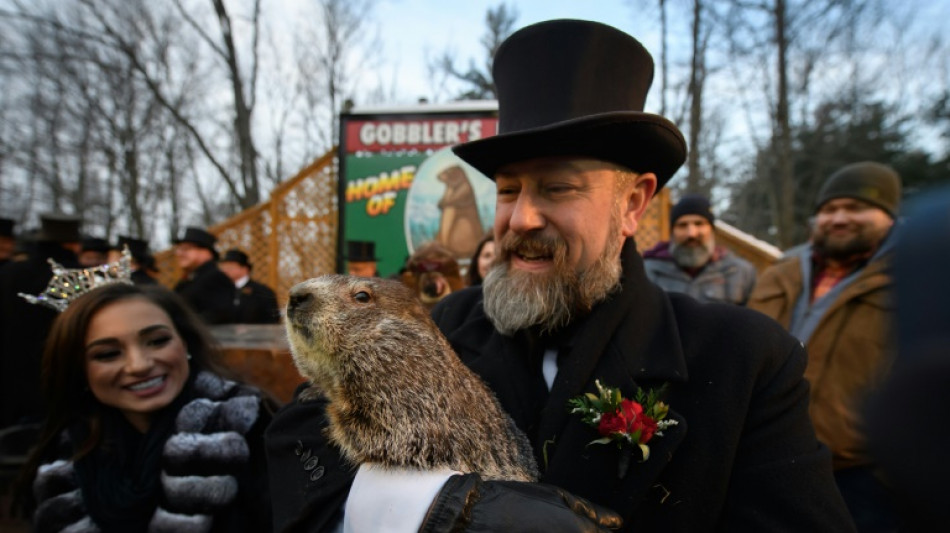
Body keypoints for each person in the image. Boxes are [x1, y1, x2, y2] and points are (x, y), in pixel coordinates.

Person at [265, 19, 854, 532]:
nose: (521, 218)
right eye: (508, 189)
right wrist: (439, 510)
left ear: (632, 204)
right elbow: (298, 447)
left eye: (558, 187)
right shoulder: (435, 326)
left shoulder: (744, 360)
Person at [12, 281, 274, 532]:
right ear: (79, 370)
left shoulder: (257, 428)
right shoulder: (61, 458)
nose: (139, 365)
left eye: (158, 340)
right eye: (107, 354)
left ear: (184, 342)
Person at [748, 161, 902, 531]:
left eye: (856, 208)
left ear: (889, 217)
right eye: (829, 210)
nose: (839, 218)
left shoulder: (911, 280)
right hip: (769, 460)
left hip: (859, 476)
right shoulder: (779, 273)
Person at [0, 213, 82, 429]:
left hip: (9, 393)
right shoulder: (79, 280)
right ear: (72, 245)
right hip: (64, 394)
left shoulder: (8, 274)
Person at [642, 194, 756, 304]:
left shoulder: (740, 272)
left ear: (712, 230)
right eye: (682, 225)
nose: (691, 234)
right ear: (672, 232)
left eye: (699, 223)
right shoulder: (647, 271)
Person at [172, 226, 236, 324]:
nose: (179, 253)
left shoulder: (216, 279)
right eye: (179, 249)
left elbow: (218, 316)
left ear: (206, 252)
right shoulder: (191, 278)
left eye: (186, 249)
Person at [218, 248, 281, 324]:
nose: (225, 270)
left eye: (230, 266)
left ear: (245, 269)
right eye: (224, 267)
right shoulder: (219, 290)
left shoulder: (262, 292)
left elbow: (272, 320)